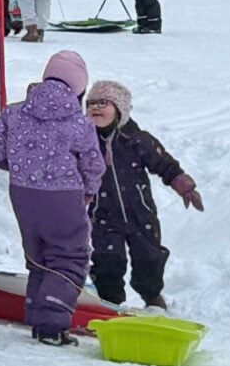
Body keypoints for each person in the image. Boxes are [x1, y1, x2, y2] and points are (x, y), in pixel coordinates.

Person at [0, 49, 105, 344]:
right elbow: (93, 163)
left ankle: (36, 313)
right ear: (78, 87)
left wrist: (19, 165)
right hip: (64, 195)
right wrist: (88, 191)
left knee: (38, 256)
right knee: (70, 257)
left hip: (23, 194)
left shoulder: (16, 112)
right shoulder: (78, 122)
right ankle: (51, 324)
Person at [84, 78, 201, 308]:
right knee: (107, 260)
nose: (95, 107)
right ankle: (109, 302)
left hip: (141, 214)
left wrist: (184, 186)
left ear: (120, 109)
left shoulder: (137, 140)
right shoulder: (85, 143)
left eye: (103, 102)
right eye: (91, 103)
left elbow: (165, 164)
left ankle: (153, 298)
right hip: (103, 216)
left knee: (149, 258)